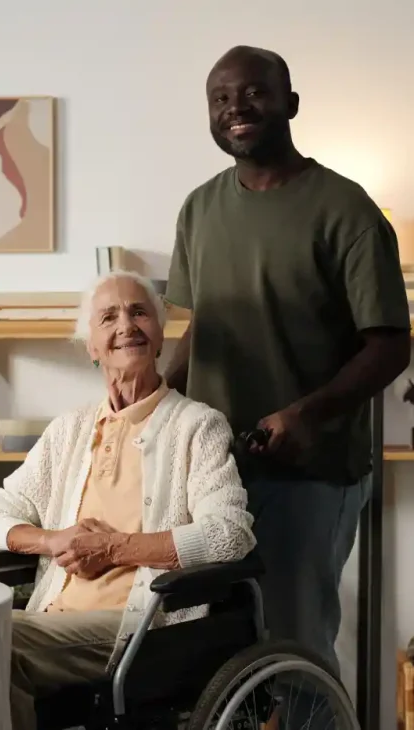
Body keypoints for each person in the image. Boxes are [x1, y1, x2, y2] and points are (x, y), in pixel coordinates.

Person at [164, 45, 411, 681]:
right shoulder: (198, 208)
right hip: (213, 471)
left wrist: (307, 414)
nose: (235, 108)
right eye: (220, 98)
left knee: (293, 652)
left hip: (312, 472)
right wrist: (149, 402)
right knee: (219, 655)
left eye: (253, 93)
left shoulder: (346, 209)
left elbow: (390, 344)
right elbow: (198, 332)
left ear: (291, 104)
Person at [0, 271, 256, 730]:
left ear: (160, 335)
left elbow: (229, 535)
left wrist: (114, 548)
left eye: (139, 312)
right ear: (91, 346)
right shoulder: (70, 430)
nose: (126, 324)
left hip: (140, 627)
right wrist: (53, 541)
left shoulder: (196, 427)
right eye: (108, 317)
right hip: (52, 619)